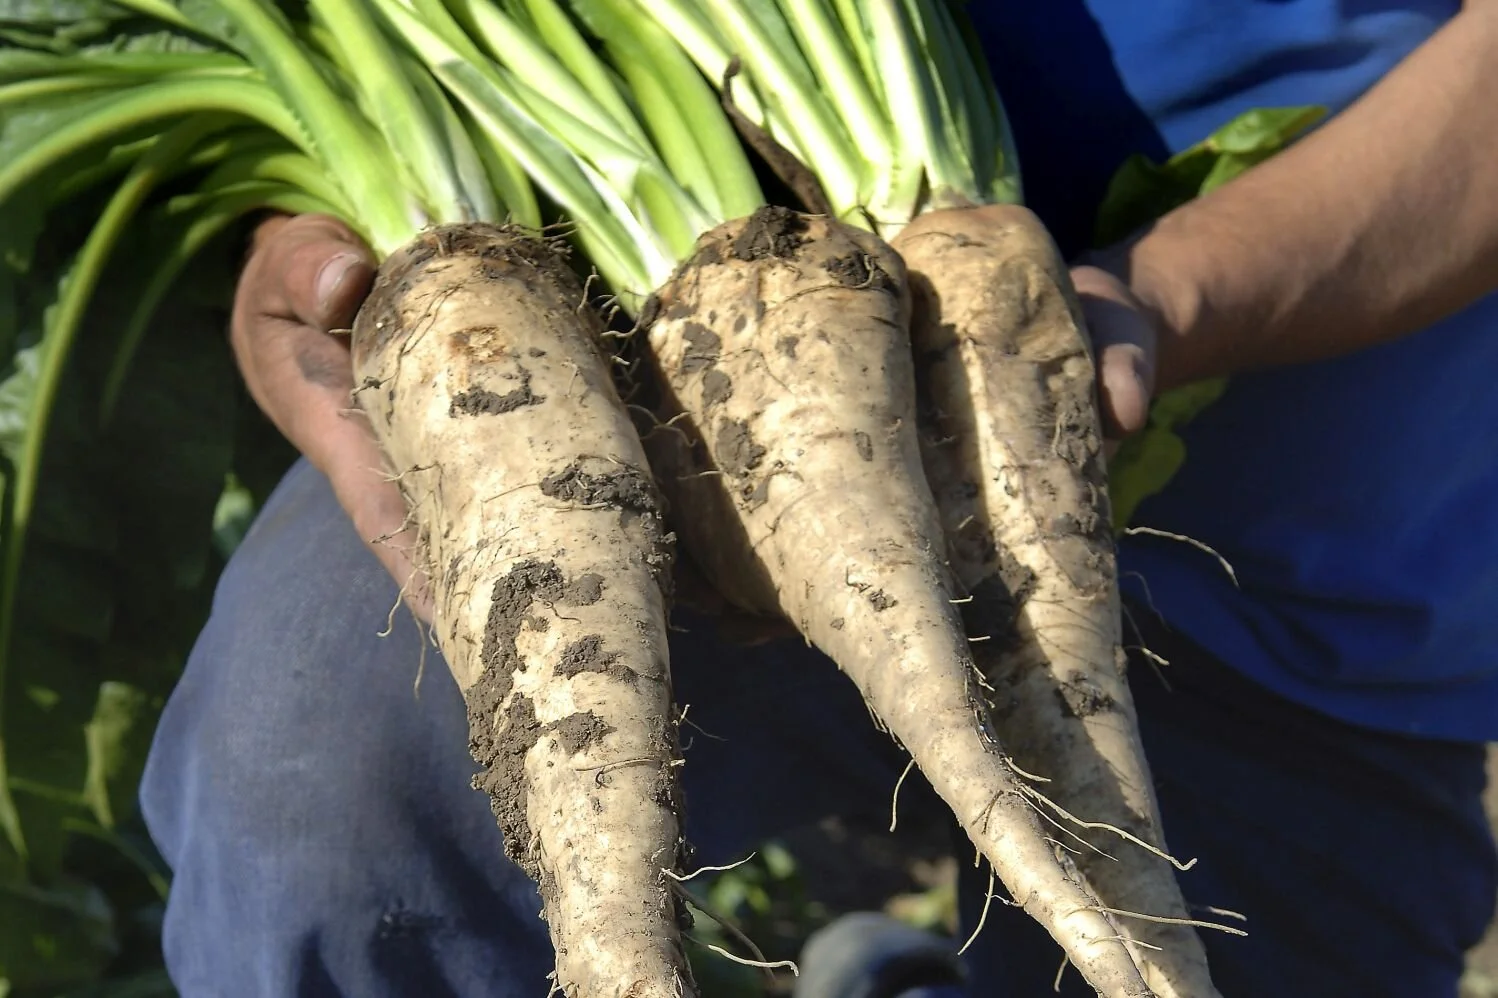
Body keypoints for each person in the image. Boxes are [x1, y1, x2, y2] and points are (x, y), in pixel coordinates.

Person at [139, 2, 1498, 996]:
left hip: (1332, 555)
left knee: (1161, 917)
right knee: (312, 779)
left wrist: (1167, 298)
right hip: (647, 398)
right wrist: (316, 210)